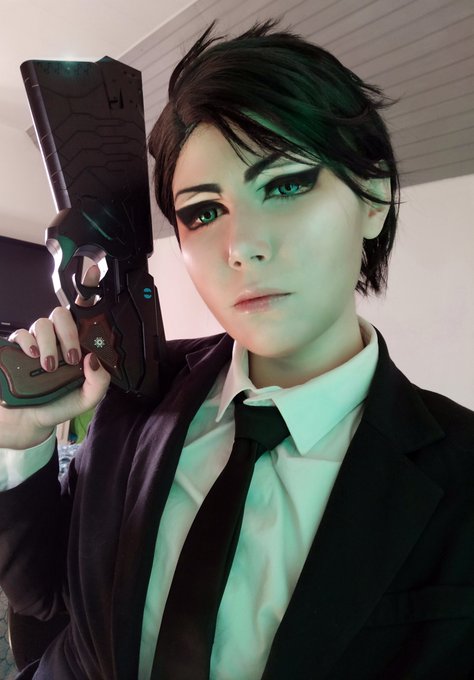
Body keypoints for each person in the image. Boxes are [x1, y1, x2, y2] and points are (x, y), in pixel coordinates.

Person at [0, 17, 473, 680]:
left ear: (372, 198)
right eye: (203, 212)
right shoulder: (139, 386)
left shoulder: (461, 476)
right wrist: (21, 443)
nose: (241, 246)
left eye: (285, 185)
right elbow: (47, 595)